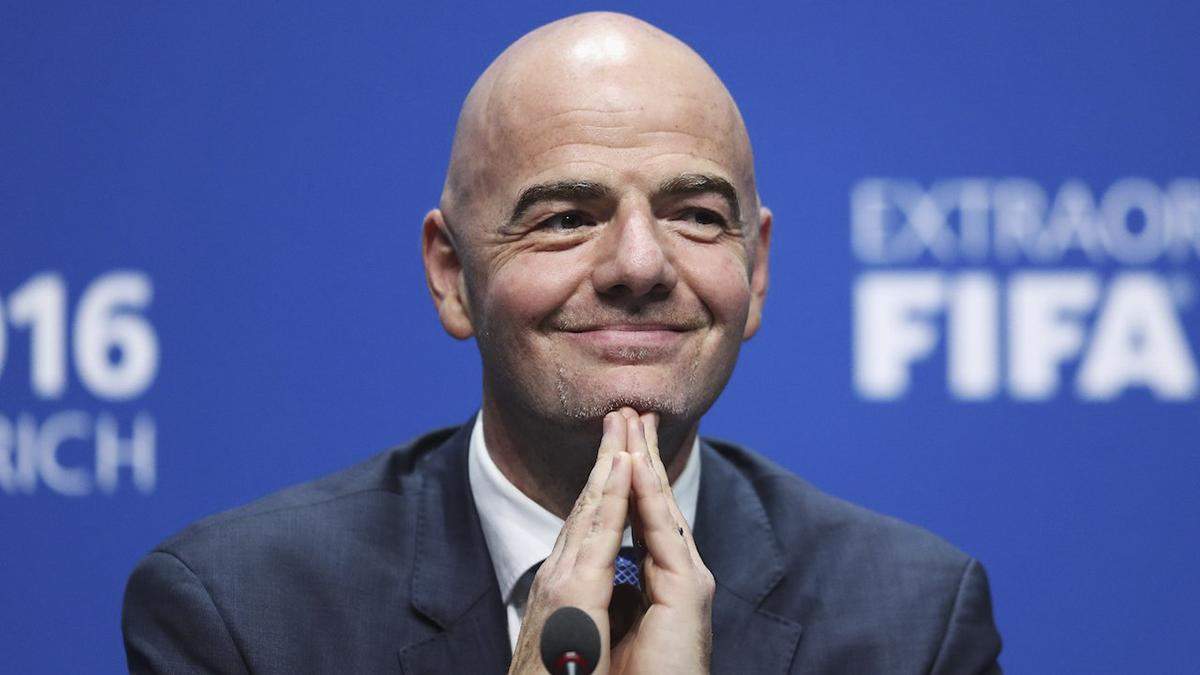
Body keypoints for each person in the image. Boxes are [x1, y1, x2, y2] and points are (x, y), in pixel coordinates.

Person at [122, 12, 1002, 674]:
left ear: (757, 267)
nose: (639, 264)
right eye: (566, 218)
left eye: (696, 214)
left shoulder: (912, 622)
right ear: (451, 273)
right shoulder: (241, 613)